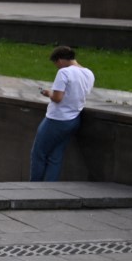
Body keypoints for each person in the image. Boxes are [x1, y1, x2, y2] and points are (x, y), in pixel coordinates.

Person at [30, 45, 95, 181]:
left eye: (56, 64)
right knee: (55, 156)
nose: (57, 67)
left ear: (59, 60)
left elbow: (58, 98)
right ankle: (50, 189)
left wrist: (48, 93)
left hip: (56, 119)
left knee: (38, 154)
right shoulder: (89, 73)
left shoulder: (64, 72)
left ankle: (33, 187)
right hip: (74, 119)